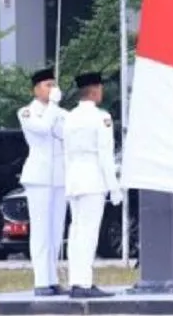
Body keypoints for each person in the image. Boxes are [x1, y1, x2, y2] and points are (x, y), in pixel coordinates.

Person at [62, 72, 122, 299]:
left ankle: (75, 281)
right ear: (95, 90)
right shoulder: (101, 117)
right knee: (88, 232)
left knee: (76, 231)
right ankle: (84, 283)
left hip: (74, 178)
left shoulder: (70, 117)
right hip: (92, 178)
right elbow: (105, 154)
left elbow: (66, 153)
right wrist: (113, 186)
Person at [19, 67, 67, 296]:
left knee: (56, 230)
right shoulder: (27, 112)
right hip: (38, 176)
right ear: (36, 90)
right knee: (41, 229)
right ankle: (41, 281)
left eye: (54, 85)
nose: (52, 89)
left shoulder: (61, 112)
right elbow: (42, 129)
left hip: (59, 176)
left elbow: (67, 134)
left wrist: (57, 109)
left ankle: (52, 278)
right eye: (48, 85)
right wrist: (54, 106)